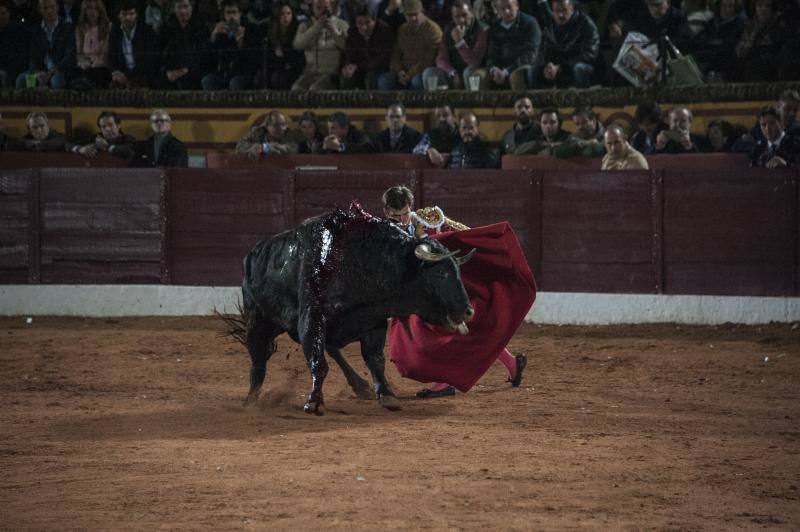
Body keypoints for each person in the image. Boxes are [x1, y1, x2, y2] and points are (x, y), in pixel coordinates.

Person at [381, 185, 532, 398]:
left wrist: (426, 238)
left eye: (405, 213)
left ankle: (444, 383)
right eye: (397, 215)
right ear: (387, 212)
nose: (403, 218)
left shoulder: (426, 220)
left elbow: (460, 235)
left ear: (410, 208)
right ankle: (512, 363)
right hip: (419, 294)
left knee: (437, 336)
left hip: (442, 290)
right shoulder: (384, 230)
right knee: (466, 332)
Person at [422, 0, 488, 90]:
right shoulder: (449, 28)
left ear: (472, 13)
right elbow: (441, 58)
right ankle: (441, 103)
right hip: (454, 71)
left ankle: (473, 103)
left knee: (469, 73)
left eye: (464, 15)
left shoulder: (482, 30)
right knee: (429, 73)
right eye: (457, 16)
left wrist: (459, 42)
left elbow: (474, 61)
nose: (461, 20)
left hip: (475, 70)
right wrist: (452, 73)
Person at [531, 0, 598, 89]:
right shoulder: (550, 27)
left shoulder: (587, 24)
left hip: (581, 67)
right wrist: (548, 66)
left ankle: (583, 100)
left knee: (579, 69)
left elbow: (589, 55)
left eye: (564, 10)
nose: (560, 15)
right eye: (557, 11)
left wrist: (561, 67)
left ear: (572, 9)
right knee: (534, 71)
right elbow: (542, 52)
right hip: (558, 68)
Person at [379, 0, 442, 90]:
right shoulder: (402, 29)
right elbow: (396, 53)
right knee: (384, 80)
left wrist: (410, 74)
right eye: (409, 15)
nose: (412, 18)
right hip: (403, 71)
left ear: (422, 12)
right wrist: (399, 71)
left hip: (422, 72)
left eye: (415, 14)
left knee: (416, 81)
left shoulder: (433, 30)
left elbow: (429, 60)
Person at [16, 0, 76, 89]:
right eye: (45, 8)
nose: (49, 11)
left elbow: (69, 56)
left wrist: (52, 72)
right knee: (21, 80)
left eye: (52, 7)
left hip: (60, 70)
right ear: (39, 10)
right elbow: (33, 56)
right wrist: (37, 72)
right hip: (40, 70)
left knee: (56, 81)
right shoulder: (36, 30)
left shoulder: (67, 28)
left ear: (57, 8)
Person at [202, 0, 260, 90]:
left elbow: (252, 58)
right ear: (224, 15)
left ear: (239, 14)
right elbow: (209, 57)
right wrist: (213, 37)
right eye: (228, 13)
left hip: (242, 73)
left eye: (234, 12)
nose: (231, 16)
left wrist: (240, 43)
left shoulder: (250, 29)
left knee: (235, 83)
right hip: (223, 73)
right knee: (207, 80)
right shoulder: (220, 31)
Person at [291, 0, 348, 90]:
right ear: (313, 9)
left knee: (315, 89)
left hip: (331, 73)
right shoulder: (305, 25)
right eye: (319, 8)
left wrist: (334, 31)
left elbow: (347, 47)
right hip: (310, 72)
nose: (322, 11)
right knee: (296, 88)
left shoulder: (342, 24)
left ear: (330, 8)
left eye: (325, 8)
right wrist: (316, 28)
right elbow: (297, 45)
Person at [486, 0, 540, 90]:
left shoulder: (530, 23)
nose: (506, 12)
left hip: (522, 65)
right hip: (501, 68)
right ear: (497, 10)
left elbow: (531, 54)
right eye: (502, 9)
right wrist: (494, 70)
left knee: (516, 76)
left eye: (509, 7)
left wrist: (507, 71)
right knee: (481, 76)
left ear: (517, 6)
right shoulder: (495, 27)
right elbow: (492, 54)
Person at [108, 0, 159, 89]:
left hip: (142, 75)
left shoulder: (147, 31)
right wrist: (115, 72)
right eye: (124, 14)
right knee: (113, 88)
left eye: (131, 14)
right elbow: (111, 56)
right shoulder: (115, 32)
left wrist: (128, 75)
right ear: (119, 16)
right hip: (122, 74)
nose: (128, 18)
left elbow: (150, 61)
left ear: (136, 15)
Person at [340, 6, 393, 89]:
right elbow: (350, 55)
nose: (364, 27)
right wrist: (348, 67)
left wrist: (358, 67)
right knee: (346, 78)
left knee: (372, 77)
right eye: (359, 23)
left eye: (367, 23)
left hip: (379, 69)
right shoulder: (352, 33)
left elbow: (383, 59)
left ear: (374, 20)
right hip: (359, 69)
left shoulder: (384, 31)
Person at [158, 0, 206, 90]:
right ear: (174, 9)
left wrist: (185, 70)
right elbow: (160, 53)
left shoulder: (200, 27)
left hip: (193, 69)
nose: (183, 11)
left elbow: (201, 54)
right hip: (171, 70)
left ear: (191, 7)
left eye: (186, 7)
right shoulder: (165, 29)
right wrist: (168, 71)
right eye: (179, 7)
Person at [259, 1, 304, 90]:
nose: (285, 17)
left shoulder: (297, 30)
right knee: (260, 76)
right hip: (276, 66)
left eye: (288, 13)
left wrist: (283, 55)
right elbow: (268, 57)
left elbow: (297, 58)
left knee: (277, 78)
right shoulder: (271, 32)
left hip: (294, 68)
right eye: (282, 14)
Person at [70, 0, 112, 89]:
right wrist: (83, 62)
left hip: (101, 66)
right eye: (89, 8)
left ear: (101, 11)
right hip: (85, 65)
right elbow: (79, 53)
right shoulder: (79, 29)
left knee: (96, 73)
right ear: (84, 10)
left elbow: (104, 55)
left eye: (96, 9)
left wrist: (94, 64)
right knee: (73, 72)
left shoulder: (108, 27)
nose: (93, 12)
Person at [69, 110, 136, 158]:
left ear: (118, 126)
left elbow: (129, 152)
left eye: (110, 125)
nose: (107, 129)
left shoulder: (128, 139)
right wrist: (80, 149)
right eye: (103, 127)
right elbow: (67, 143)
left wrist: (107, 146)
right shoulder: (95, 138)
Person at [0, 0, 30, 88]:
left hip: (15, 69)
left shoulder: (19, 31)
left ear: (8, 14)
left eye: (3, 13)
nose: (1, 17)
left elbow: (21, 57)